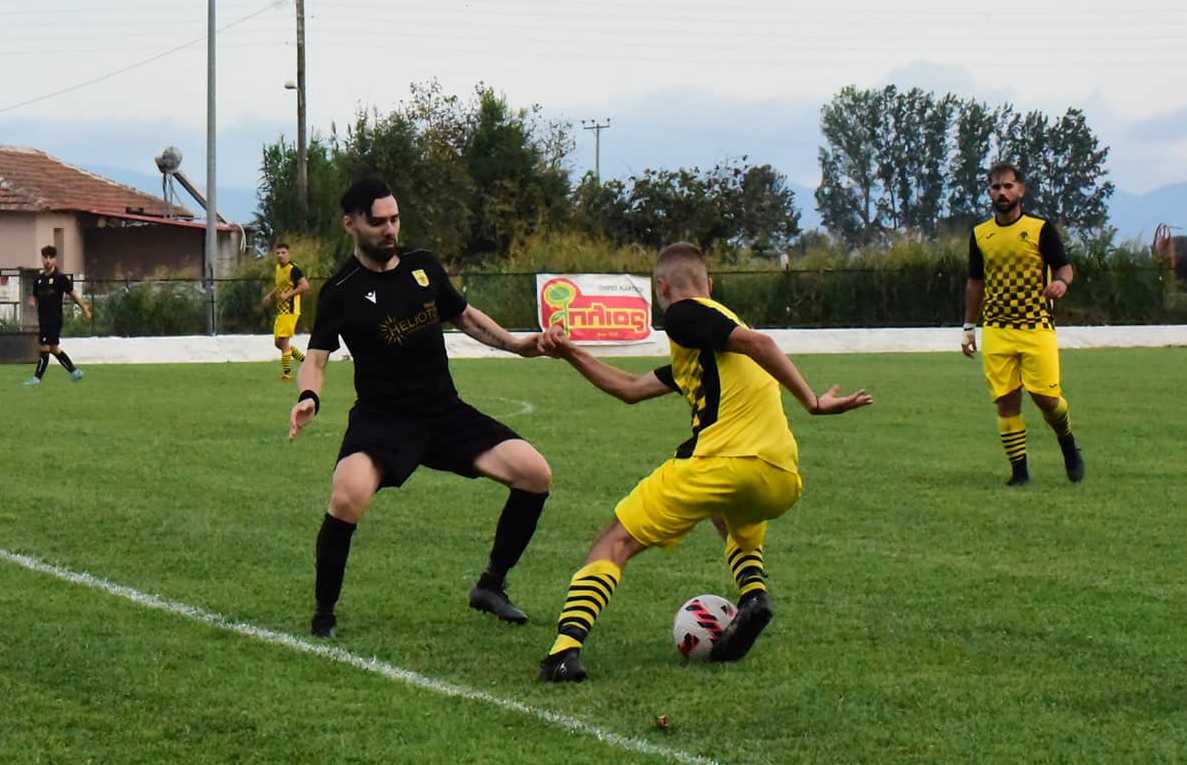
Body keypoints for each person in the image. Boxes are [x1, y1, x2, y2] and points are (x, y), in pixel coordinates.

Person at [537, 242, 873, 682]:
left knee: (614, 541)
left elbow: (761, 344)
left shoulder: (683, 315)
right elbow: (630, 388)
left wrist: (812, 401)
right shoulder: (711, 342)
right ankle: (753, 596)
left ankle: (564, 653)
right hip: (780, 477)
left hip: (725, 462)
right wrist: (571, 353)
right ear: (710, 282)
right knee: (726, 512)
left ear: (662, 288)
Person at [288, 177, 553, 639]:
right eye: (378, 222)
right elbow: (316, 358)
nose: (390, 229)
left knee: (535, 474)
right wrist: (308, 397)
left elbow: (465, 316)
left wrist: (517, 344)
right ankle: (324, 613)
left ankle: (490, 585)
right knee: (347, 495)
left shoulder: (423, 266)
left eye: (395, 219)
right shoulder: (340, 290)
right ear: (350, 224)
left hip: (444, 412)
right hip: (383, 420)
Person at [962, 162, 1085, 486]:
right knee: (1005, 400)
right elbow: (975, 282)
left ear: (1021, 190)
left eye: (1008, 186)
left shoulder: (1040, 228)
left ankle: (1068, 442)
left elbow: (1065, 267)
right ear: (989, 192)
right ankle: (1019, 474)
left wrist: (1061, 284)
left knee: (1046, 399)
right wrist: (968, 327)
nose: (1002, 193)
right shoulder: (980, 234)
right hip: (997, 329)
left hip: (1036, 326)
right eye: (995, 187)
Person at [24, 245, 91, 386]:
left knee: (44, 348)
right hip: (43, 319)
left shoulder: (60, 278)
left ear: (55, 259)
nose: (48, 260)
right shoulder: (39, 280)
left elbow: (73, 294)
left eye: (51, 257)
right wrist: (32, 301)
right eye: (45, 257)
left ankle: (36, 379)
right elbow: (34, 296)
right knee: (54, 349)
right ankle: (75, 372)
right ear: (42, 259)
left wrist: (84, 308)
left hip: (54, 319)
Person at [261, 242, 310, 381]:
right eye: (278, 253)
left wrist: (288, 295)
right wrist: (270, 295)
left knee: (283, 342)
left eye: (283, 253)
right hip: (281, 310)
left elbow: (305, 286)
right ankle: (306, 362)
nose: (280, 255)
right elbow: (280, 286)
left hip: (291, 309)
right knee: (279, 343)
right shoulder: (278, 268)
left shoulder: (294, 269)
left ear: (288, 254)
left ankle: (287, 373)